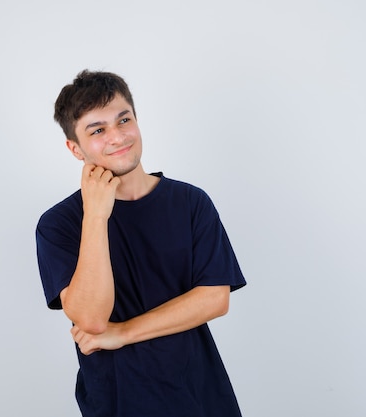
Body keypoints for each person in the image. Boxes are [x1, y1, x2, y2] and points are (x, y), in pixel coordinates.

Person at [36, 70, 246, 417]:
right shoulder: (58, 224)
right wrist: (96, 216)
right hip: (120, 401)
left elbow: (214, 298)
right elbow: (90, 318)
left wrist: (124, 333)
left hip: (201, 396)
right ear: (75, 148)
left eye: (124, 119)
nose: (118, 136)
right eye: (98, 130)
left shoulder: (191, 202)